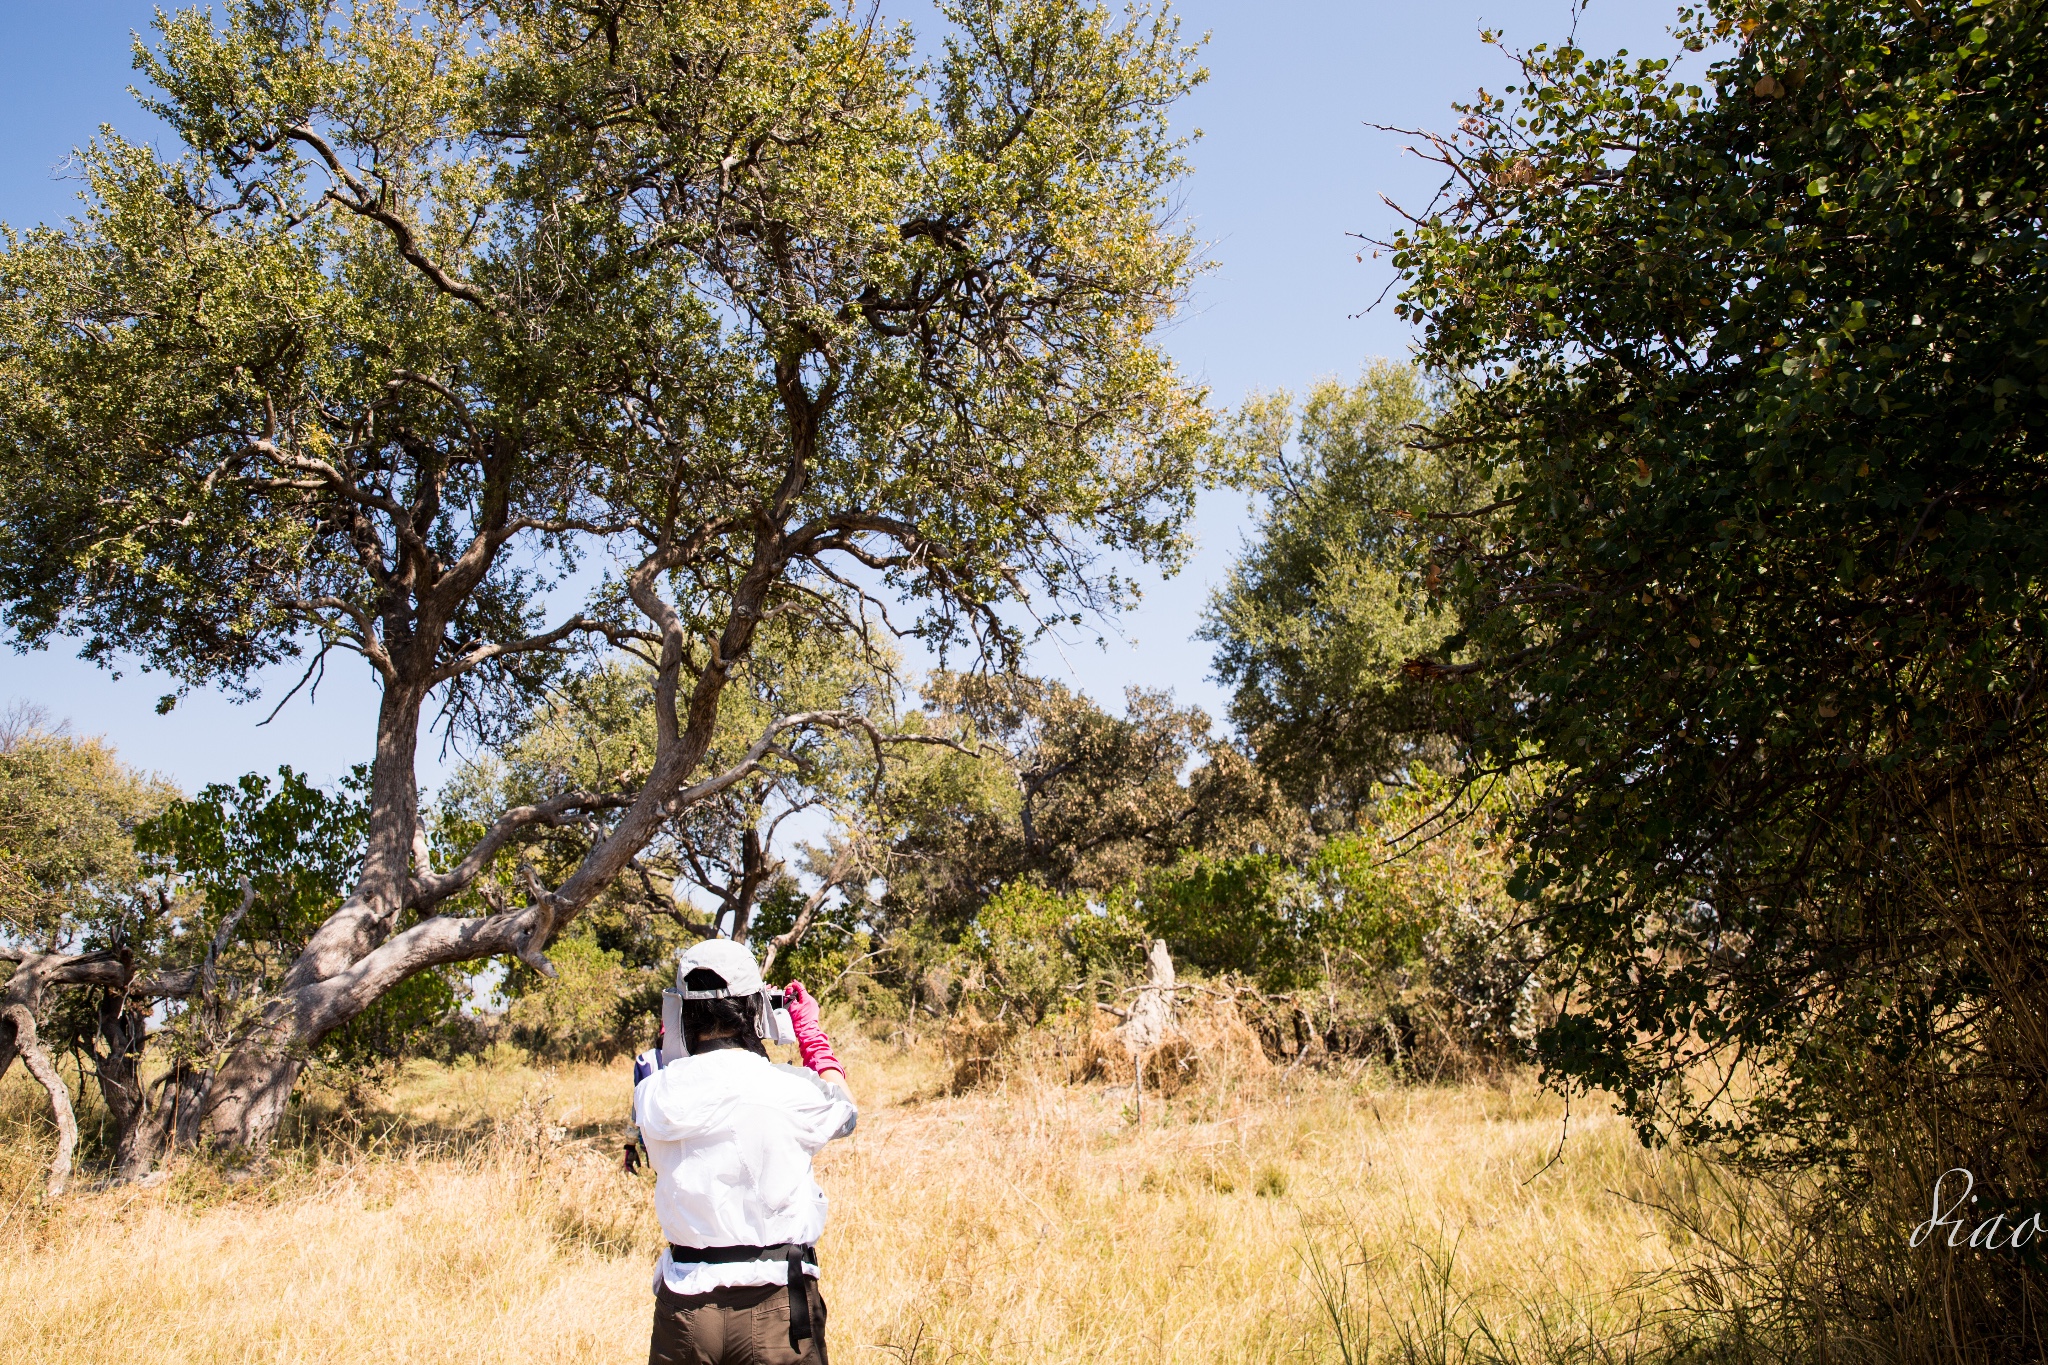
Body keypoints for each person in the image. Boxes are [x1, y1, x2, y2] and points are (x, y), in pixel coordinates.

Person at [632, 938, 855, 1365]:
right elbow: (846, 1112)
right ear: (755, 1008)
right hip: (775, 1304)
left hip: (684, 1310)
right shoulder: (788, 1087)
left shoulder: (653, 1094)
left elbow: (665, 1066)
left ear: (680, 1012)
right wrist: (809, 1033)